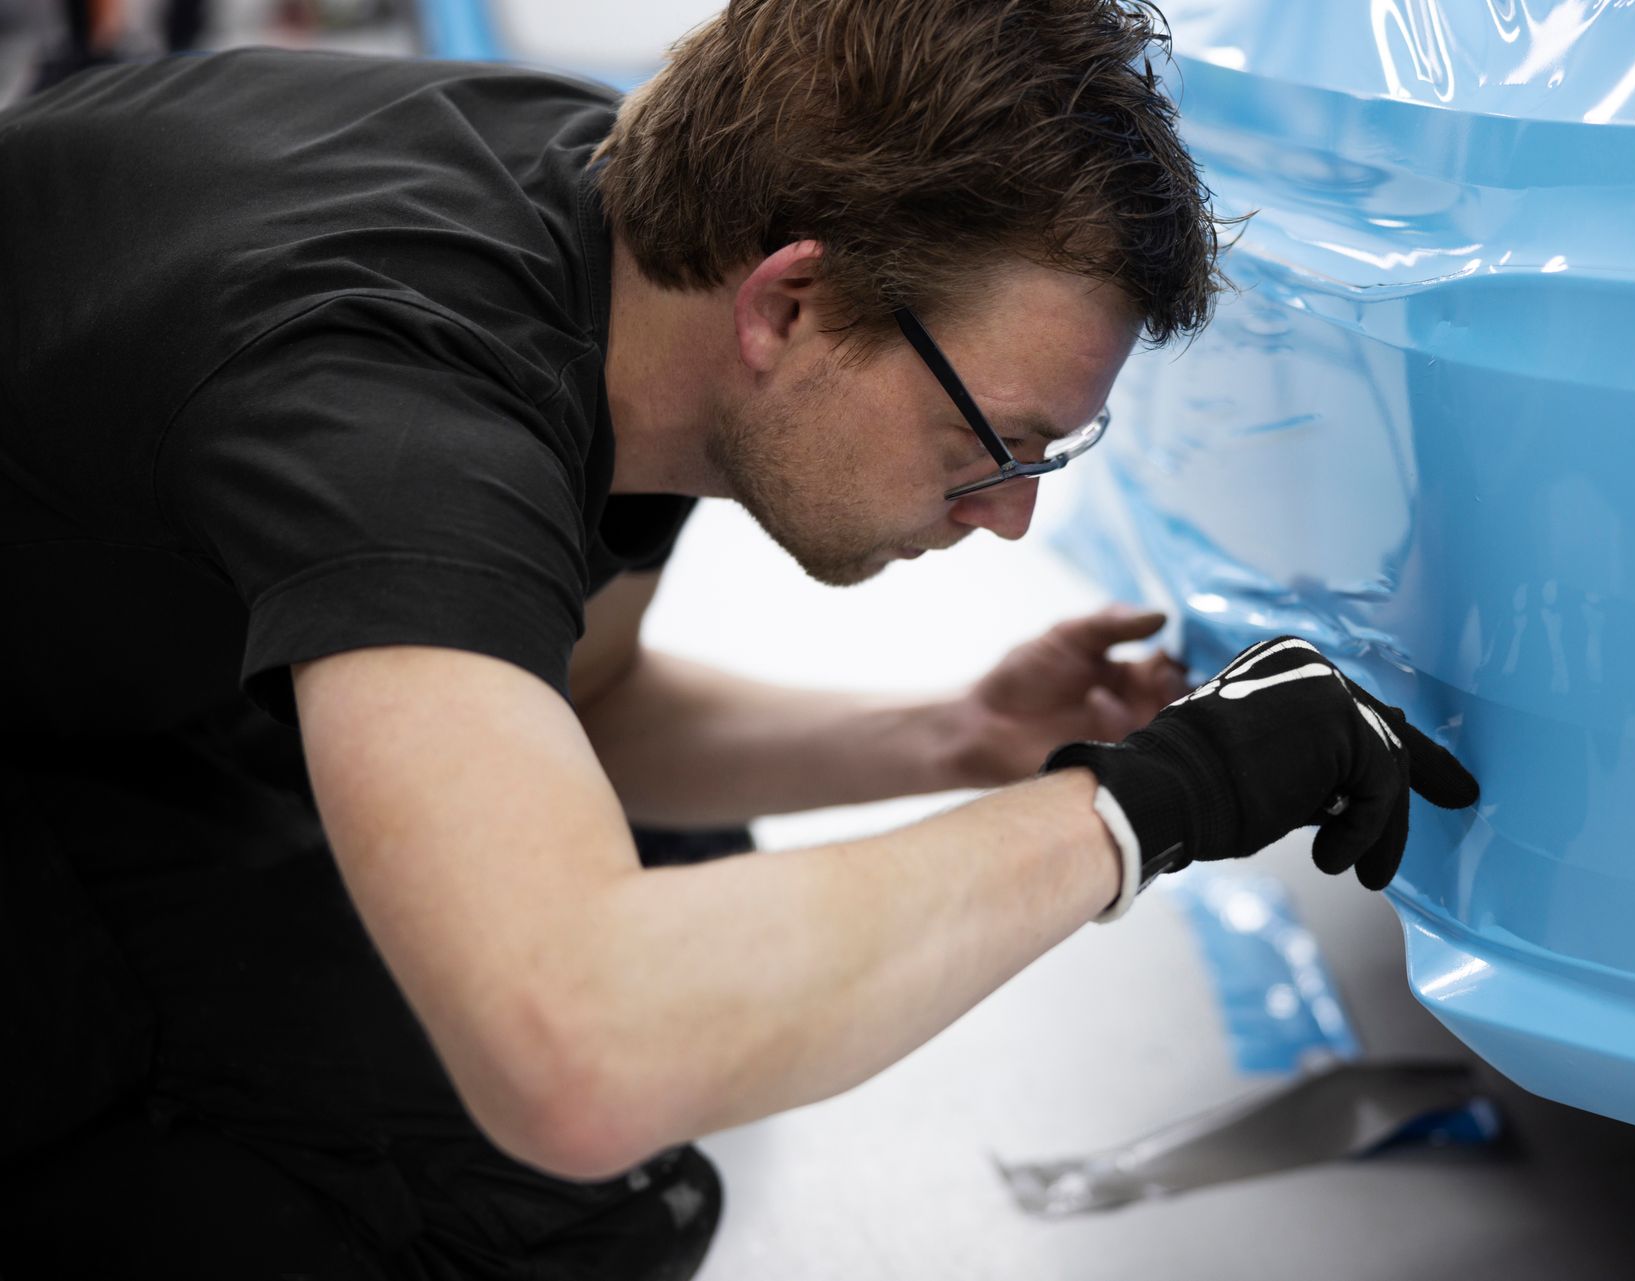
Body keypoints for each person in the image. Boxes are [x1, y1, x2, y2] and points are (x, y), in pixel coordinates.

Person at [0, 1, 1479, 1275]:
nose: (1013, 518)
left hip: (112, 633)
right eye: (1000, 443)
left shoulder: (630, 249)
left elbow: (595, 706)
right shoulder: (402, 410)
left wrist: (963, 739)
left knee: (684, 881)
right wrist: (1158, 800)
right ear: (793, 301)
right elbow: (577, 1054)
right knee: (547, 1191)